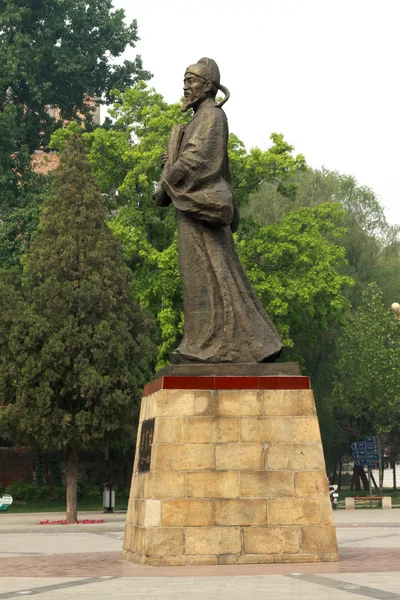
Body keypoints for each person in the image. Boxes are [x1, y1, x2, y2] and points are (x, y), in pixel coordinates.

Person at [155, 57, 283, 363]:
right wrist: (170, 162)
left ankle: (213, 345)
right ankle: (207, 342)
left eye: (191, 81)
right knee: (205, 276)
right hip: (191, 208)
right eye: (184, 81)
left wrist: (166, 183)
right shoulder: (199, 119)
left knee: (212, 274)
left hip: (201, 207)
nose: (185, 87)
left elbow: (197, 161)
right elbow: (187, 157)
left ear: (208, 86)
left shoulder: (212, 116)